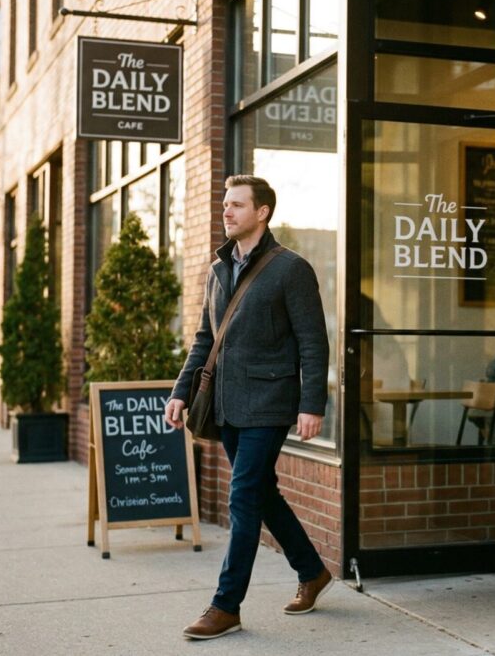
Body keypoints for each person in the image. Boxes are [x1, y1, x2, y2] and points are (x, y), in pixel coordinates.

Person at [164, 175, 332, 640]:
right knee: (262, 495)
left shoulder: (290, 268)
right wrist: (181, 391)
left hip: (270, 402)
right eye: (225, 204)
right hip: (224, 404)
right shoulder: (218, 269)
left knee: (242, 498)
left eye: (237, 204)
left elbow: (313, 342)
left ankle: (226, 605)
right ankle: (312, 571)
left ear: (262, 212)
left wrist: (311, 403)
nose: (227, 211)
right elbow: (205, 340)